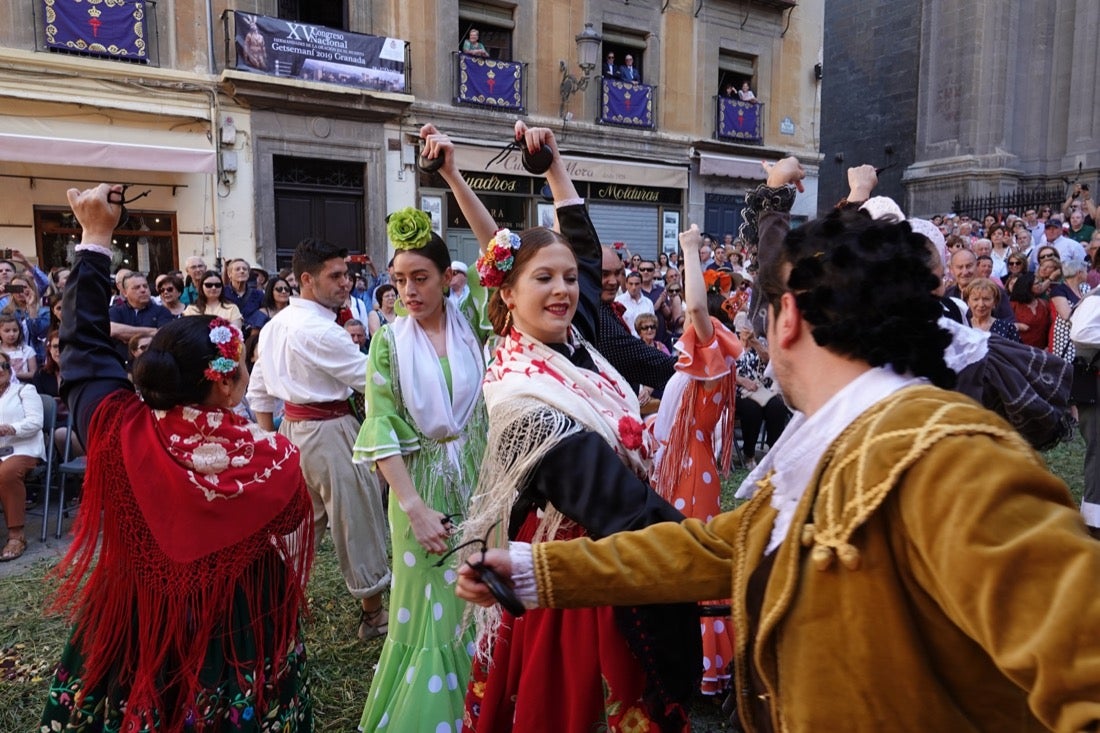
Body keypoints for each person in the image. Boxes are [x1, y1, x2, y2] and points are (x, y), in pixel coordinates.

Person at [458, 159, 1100, 733]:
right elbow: (722, 546)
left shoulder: (947, 455)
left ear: (785, 319)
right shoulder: (829, 439)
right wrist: (539, 571)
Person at [41, 184, 314, 731]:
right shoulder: (270, 455)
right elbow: (287, 517)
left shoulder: (116, 425)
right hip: (241, 609)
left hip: (135, 602)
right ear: (229, 383)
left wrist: (95, 237)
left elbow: (82, 348)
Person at [458, 123, 697, 732]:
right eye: (544, 279)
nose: (564, 288)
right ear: (507, 294)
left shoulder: (576, 341)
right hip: (581, 574)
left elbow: (583, 251)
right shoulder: (518, 396)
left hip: (621, 547)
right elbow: (618, 505)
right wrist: (707, 555)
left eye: (568, 279)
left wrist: (554, 167)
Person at [352, 149, 494, 728]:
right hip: (420, 490)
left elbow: (496, 249)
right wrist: (412, 507)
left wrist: (453, 175)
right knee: (428, 611)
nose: (407, 291)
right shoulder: (386, 343)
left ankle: (478, 705)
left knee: (478, 597)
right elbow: (381, 428)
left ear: (447, 277)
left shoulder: (477, 323)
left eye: (420, 278)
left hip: (483, 482)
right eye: (398, 280)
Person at [247, 237, 391, 642]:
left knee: (299, 524)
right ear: (307, 280)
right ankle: (374, 614)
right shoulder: (319, 332)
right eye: (336, 275)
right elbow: (373, 381)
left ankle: (276, 608)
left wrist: (270, 439)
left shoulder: (274, 327)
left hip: (292, 434)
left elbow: (260, 390)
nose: (346, 282)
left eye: (346, 274)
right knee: (357, 517)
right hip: (328, 431)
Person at [650, 224, 742, 696]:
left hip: (693, 470)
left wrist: (689, 249)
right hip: (682, 464)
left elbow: (695, 306)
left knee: (688, 559)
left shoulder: (710, 356)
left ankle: (705, 664)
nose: (683, 314)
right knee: (680, 555)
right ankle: (691, 658)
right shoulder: (699, 363)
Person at [0, 349, 44, 562]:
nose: (1, 370)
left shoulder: (25, 390)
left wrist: (10, 428)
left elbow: (36, 422)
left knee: (7, 473)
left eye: (5, 365)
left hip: (22, 449)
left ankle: (17, 536)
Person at [3, 274, 50, 362]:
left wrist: (31, 308)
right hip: (13, 358)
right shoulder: (6, 312)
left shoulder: (44, 311)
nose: (20, 292)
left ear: (31, 288)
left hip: (38, 357)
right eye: (16, 288)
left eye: (24, 287)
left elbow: (38, 332)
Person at [1009, 272, 1051, 350]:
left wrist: (1048, 346)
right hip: (1019, 351)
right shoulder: (1013, 305)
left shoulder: (1044, 304)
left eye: (1040, 282)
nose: (1040, 285)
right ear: (1027, 286)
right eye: (1036, 283)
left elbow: (1049, 327)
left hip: (1041, 351)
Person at [224, 257, 265, 331]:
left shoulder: (259, 295)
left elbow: (264, 314)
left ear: (248, 274)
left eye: (244, 269)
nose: (242, 271)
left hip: (252, 336)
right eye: (237, 269)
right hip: (229, 335)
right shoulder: (222, 293)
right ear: (230, 274)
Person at [0, 313, 37, 382]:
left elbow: (34, 373)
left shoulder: (27, 350)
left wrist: (14, 375)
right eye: (7, 331)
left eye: (15, 330)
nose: (12, 334)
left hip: (22, 387)